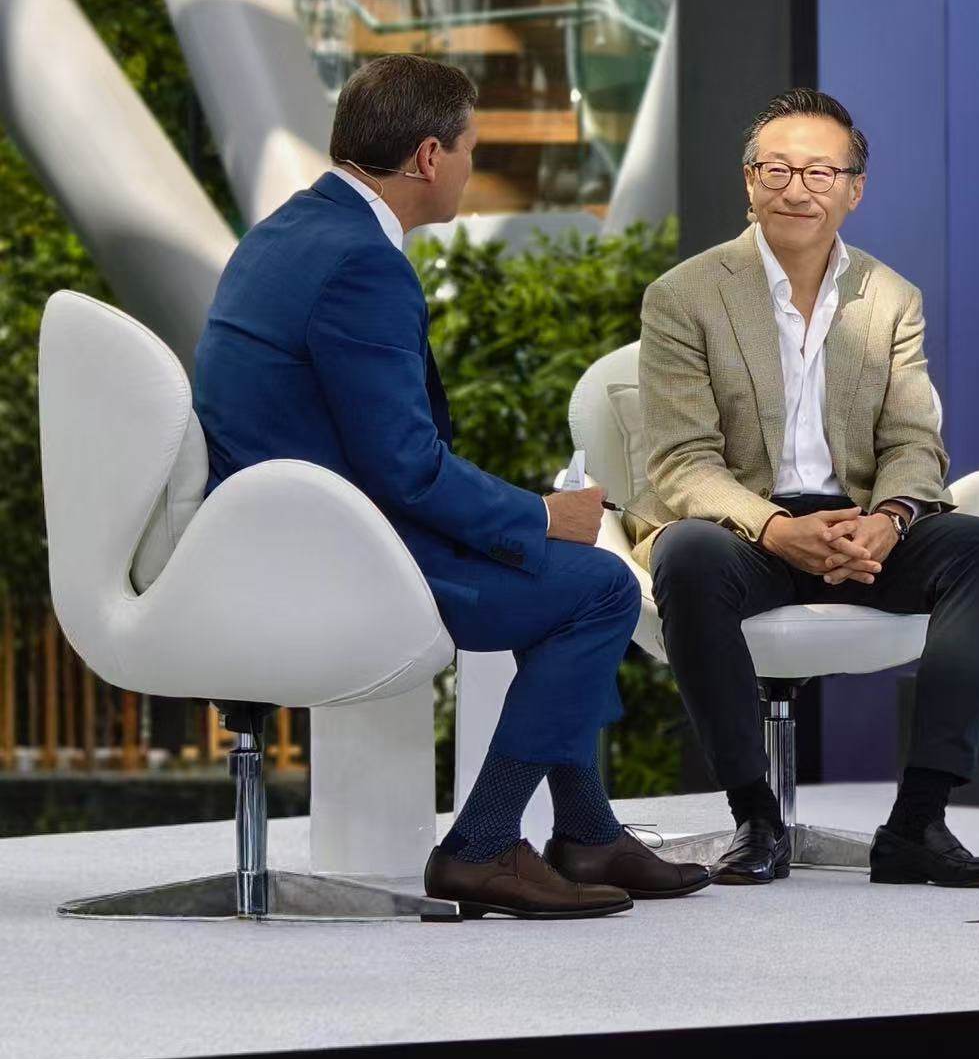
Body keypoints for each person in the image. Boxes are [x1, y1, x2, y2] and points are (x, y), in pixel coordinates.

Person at [194, 55, 709, 919]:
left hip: (288, 534)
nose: (473, 168)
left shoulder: (288, 231)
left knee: (564, 586)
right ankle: (480, 847)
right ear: (430, 156)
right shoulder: (363, 264)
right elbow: (405, 465)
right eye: (472, 149)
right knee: (599, 589)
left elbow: (381, 454)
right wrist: (546, 512)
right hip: (340, 555)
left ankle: (586, 834)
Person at [628, 88, 979, 888]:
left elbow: (915, 442)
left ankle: (918, 822)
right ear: (748, 182)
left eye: (819, 171)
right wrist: (776, 529)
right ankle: (754, 817)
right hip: (743, 530)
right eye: (776, 169)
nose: (796, 188)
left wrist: (888, 518)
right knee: (689, 557)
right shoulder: (685, 297)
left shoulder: (891, 299)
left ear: (854, 188)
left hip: (858, 524)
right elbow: (681, 463)